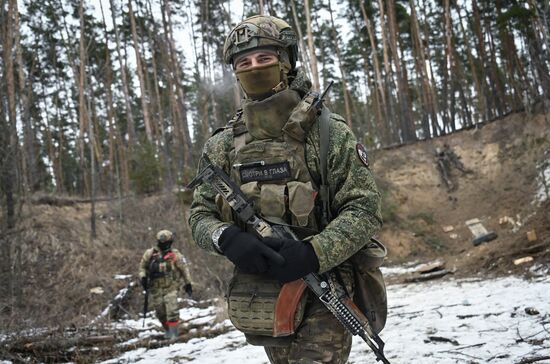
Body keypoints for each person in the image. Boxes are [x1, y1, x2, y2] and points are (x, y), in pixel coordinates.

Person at [188, 15, 382, 363]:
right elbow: (200, 214)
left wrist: (314, 252)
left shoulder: (326, 132)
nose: (254, 68)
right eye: (244, 62)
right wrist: (226, 238)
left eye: (265, 58)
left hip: (325, 288)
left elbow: (364, 208)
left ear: (287, 62)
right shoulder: (222, 145)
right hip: (263, 296)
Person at [138, 229, 193, 340]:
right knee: (160, 313)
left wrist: (188, 283)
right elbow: (142, 267)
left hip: (171, 287)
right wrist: (143, 277)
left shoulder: (175, 255)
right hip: (156, 288)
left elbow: (184, 269)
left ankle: (174, 334)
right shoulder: (150, 254)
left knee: (172, 311)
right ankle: (168, 330)